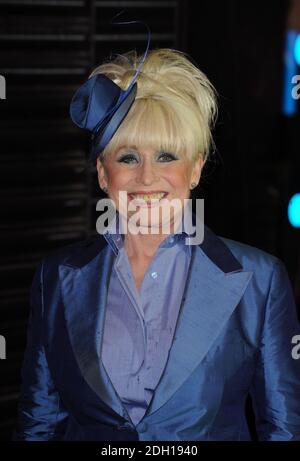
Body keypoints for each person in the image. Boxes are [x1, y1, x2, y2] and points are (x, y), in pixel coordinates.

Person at [13, 45, 300, 441]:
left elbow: (283, 429)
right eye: (128, 157)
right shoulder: (56, 277)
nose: (147, 178)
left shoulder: (261, 281)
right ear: (102, 172)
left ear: (196, 169)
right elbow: (38, 420)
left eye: (166, 156)